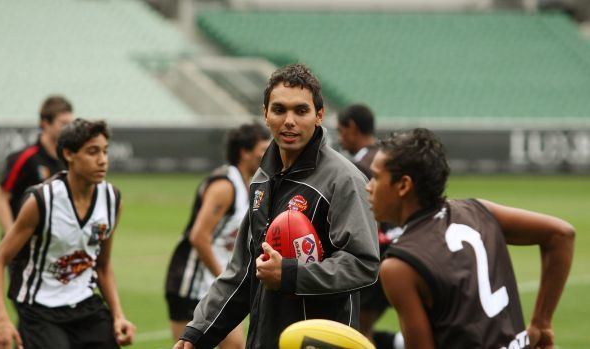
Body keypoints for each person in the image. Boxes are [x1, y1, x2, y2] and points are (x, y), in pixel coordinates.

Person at [176, 64, 380, 349]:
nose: (289, 121)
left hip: (318, 343)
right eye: (279, 109)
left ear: (319, 115)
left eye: (301, 110)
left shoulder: (343, 179)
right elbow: (244, 272)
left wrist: (290, 274)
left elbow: (363, 264)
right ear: (265, 113)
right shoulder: (262, 179)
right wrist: (197, 334)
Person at [366, 128, 575, 349]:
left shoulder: (398, 266)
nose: (368, 186)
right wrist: (541, 322)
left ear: (404, 185)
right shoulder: (477, 211)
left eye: (377, 177)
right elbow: (561, 234)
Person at [0, 118, 136, 349]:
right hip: (40, 311)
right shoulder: (42, 201)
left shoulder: (112, 200)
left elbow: (103, 265)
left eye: (105, 151)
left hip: (85, 306)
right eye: (92, 152)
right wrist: (1, 319)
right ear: (69, 154)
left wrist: (118, 315)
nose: (102, 160)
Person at [165, 123, 271, 348]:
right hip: (190, 282)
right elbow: (198, 236)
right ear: (245, 152)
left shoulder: (249, 184)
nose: (268, 153)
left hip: (215, 281)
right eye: (263, 148)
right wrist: (225, 277)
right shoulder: (225, 185)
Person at [336, 104, 403, 349]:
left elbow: (364, 219)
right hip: (401, 249)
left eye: (341, 131)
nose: (340, 138)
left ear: (352, 128)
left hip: (377, 255)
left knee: (359, 331)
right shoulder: (385, 156)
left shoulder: (361, 165)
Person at [0, 95, 74, 237]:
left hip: (51, 247)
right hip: (23, 248)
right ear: (45, 123)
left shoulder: (69, 159)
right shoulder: (26, 158)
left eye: (71, 124)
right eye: (63, 124)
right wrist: (12, 236)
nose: (69, 129)